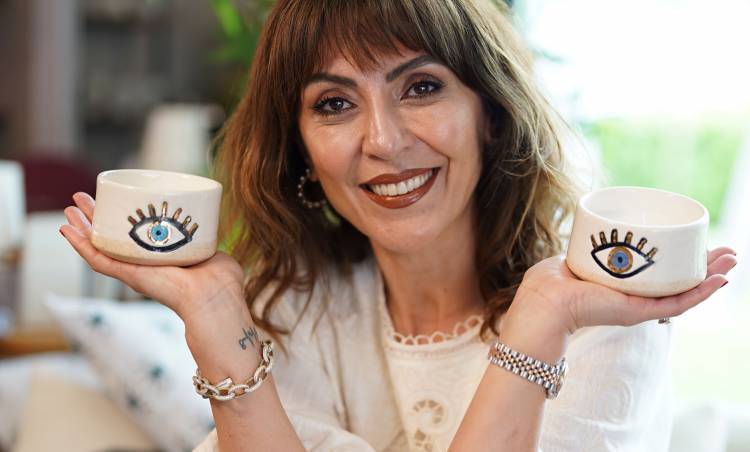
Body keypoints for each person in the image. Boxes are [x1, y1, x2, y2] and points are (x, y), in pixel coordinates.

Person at [60, 0, 737, 451]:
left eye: (421, 87)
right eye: (334, 103)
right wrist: (214, 316)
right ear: (301, 151)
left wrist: (539, 321)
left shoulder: (600, 313)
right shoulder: (296, 311)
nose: (383, 141)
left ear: (490, 113)